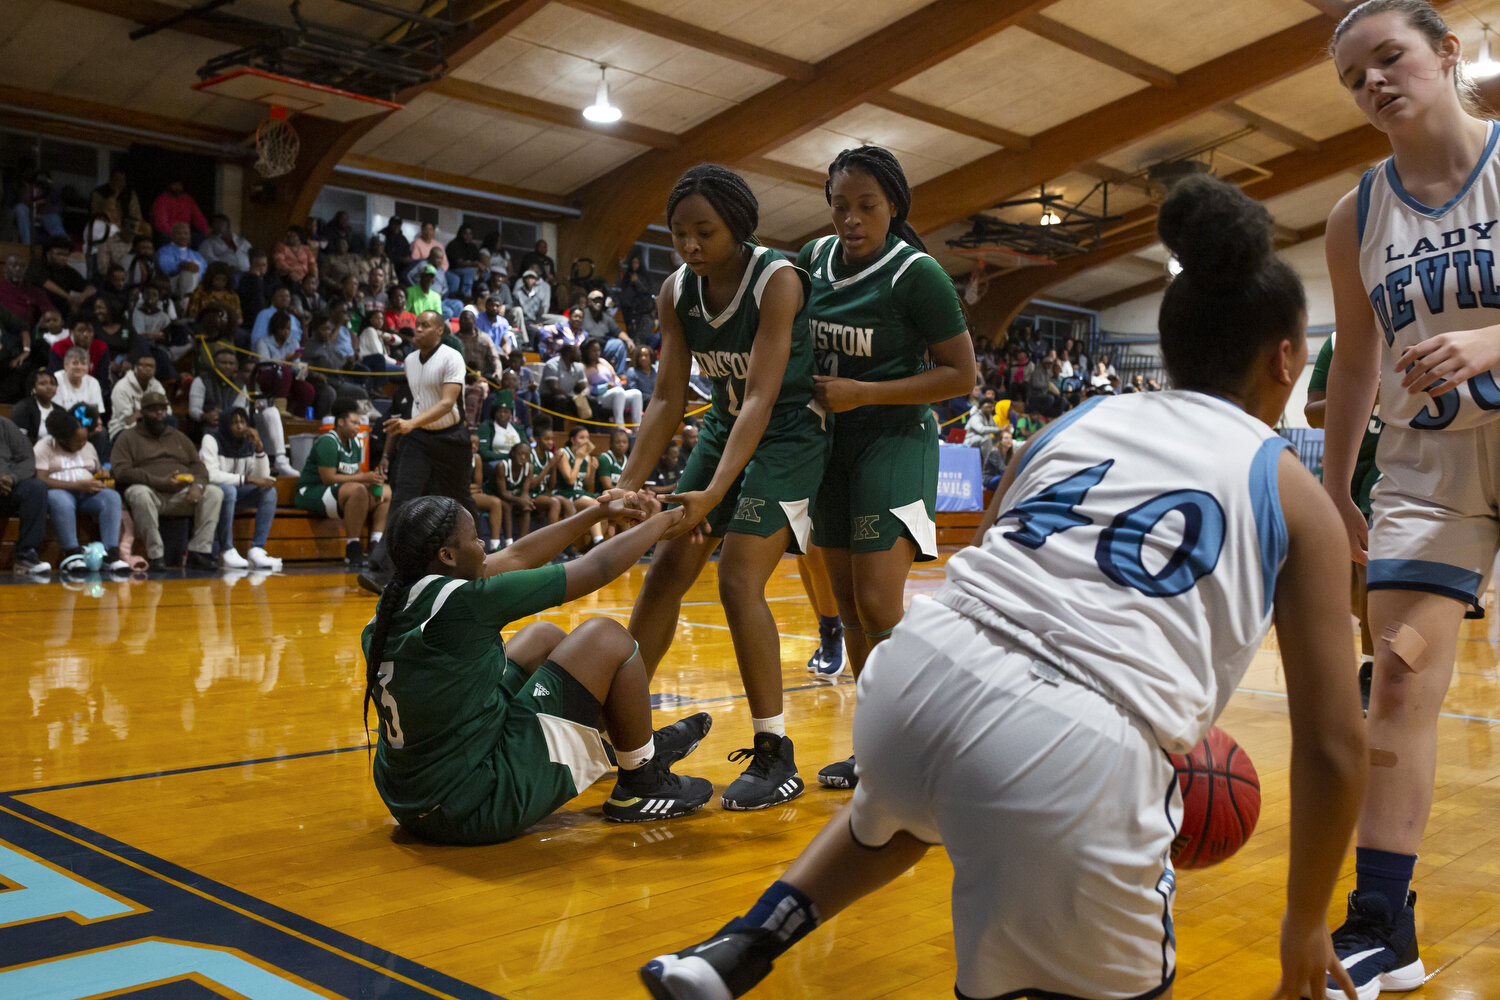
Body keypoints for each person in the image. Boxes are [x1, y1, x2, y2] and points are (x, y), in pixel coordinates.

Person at [640, 173, 1368, 1000]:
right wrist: (1306, 921)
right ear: (1288, 358)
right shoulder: (1294, 492)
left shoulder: (1074, 422)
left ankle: (732, 952)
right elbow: (1334, 747)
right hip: (1080, 739)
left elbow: (986, 566)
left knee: (901, 807)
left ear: (1169, 349)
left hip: (917, 675)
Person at [1321, 4, 1500, 994]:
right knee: (1395, 677)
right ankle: (1384, 922)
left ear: (1446, 50)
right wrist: (1337, 484)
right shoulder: (1357, 212)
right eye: (1354, 77)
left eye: (1388, 57)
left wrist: (1491, 339)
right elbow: (1354, 359)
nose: (1374, 82)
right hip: (1428, 466)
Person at [612, 164, 830, 811]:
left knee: (737, 578)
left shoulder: (778, 280)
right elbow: (667, 398)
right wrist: (624, 484)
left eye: (704, 231)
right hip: (725, 428)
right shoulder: (678, 291)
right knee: (667, 567)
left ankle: (774, 753)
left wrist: (712, 495)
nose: (690, 246)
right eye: (679, 233)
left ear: (737, 225)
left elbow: (763, 396)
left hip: (790, 434)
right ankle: (621, 734)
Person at [360, 491, 713, 844]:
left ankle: (630, 745)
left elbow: (517, 555)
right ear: (447, 555)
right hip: (472, 808)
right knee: (606, 637)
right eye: (475, 538)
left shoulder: (398, 600)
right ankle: (642, 782)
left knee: (541, 637)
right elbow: (596, 568)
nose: (484, 545)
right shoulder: (465, 603)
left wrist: (597, 514)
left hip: (411, 799)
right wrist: (666, 521)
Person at [799, 145, 976, 789]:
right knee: (846, 604)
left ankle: (928, 734)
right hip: (830, 445)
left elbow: (962, 374)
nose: (850, 218)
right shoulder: (812, 263)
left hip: (896, 439)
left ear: (893, 206)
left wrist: (866, 393)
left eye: (866, 206)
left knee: (877, 598)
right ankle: (878, 746)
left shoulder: (917, 274)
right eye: (840, 205)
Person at [1305, 333, 1382, 711]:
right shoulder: (1339, 341)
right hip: (1348, 464)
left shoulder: (1415, 327)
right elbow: (1311, 412)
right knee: (1349, 587)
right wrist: (1366, 395)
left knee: (1371, 562)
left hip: (1400, 463)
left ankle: (1371, 667)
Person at [113, 391, 224, 572]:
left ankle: (199, 552)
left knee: (214, 492)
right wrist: (159, 482)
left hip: (182, 495)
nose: (159, 414)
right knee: (138, 492)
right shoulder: (128, 437)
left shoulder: (178, 436)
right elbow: (121, 472)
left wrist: (198, 485)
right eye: (153, 410)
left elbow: (199, 466)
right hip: (151, 495)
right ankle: (156, 555)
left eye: (163, 410)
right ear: (142, 413)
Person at [35, 406, 130, 574]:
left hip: (87, 494)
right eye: (78, 442)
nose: (83, 444)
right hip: (60, 492)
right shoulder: (44, 446)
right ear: (63, 440)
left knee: (112, 497)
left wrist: (101, 475)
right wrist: (77, 486)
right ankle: (72, 555)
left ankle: (111, 555)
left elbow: (95, 472)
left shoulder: (88, 447)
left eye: (85, 440)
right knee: (59, 499)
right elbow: (40, 479)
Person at [295, 398, 388, 567]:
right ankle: (352, 546)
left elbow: (359, 474)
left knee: (386, 492)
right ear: (340, 422)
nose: (357, 427)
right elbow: (328, 478)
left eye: (358, 423)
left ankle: (375, 543)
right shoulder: (328, 441)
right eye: (353, 422)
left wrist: (374, 482)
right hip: (312, 491)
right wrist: (363, 478)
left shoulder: (355, 443)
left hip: (341, 492)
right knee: (359, 490)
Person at [202, 407, 282, 571]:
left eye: (243, 422)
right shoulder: (211, 439)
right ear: (225, 424)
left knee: (269, 492)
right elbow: (210, 475)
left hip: (238, 492)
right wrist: (246, 479)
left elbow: (262, 477)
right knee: (228, 490)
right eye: (234, 423)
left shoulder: (248, 442)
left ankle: (257, 549)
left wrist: (259, 447)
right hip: (213, 493)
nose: (240, 427)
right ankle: (226, 550)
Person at [0, 413, 51, 574]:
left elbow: (28, 459)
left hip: (8, 488)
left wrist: (12, 478)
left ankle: (26, 555)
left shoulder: (4, 425)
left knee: (36, 488)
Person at [582, 338, 643, 428]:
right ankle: (620, 427)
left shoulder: (603, 361)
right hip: (599, 397)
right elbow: (586, 389)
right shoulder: (583, 367)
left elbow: (615, 378)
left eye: (598, 350)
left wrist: (616, 384)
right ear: (586, 351)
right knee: (618, 392)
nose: (596, 353)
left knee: (636, 393)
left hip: (616, 392)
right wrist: (605, 387)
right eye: (593, 351)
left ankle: (637, 428)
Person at [108, 352, 164, 440]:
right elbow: (126, 422)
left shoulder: (156, 385)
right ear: (135, 368)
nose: (148, 369)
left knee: (171, 421)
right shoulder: (122, 387)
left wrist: (141, 413)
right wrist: (151, 413)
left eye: (151, 366)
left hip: (151, 424)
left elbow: (167, 411)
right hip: (121, 430)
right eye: (143, 366)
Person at [10, 369, 57, 444]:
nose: (49, 387)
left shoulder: (60, 410)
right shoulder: (23, 408)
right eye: (43, 384)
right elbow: (18, 440)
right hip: (30, 452)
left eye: (53, 384)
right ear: (33, 388)